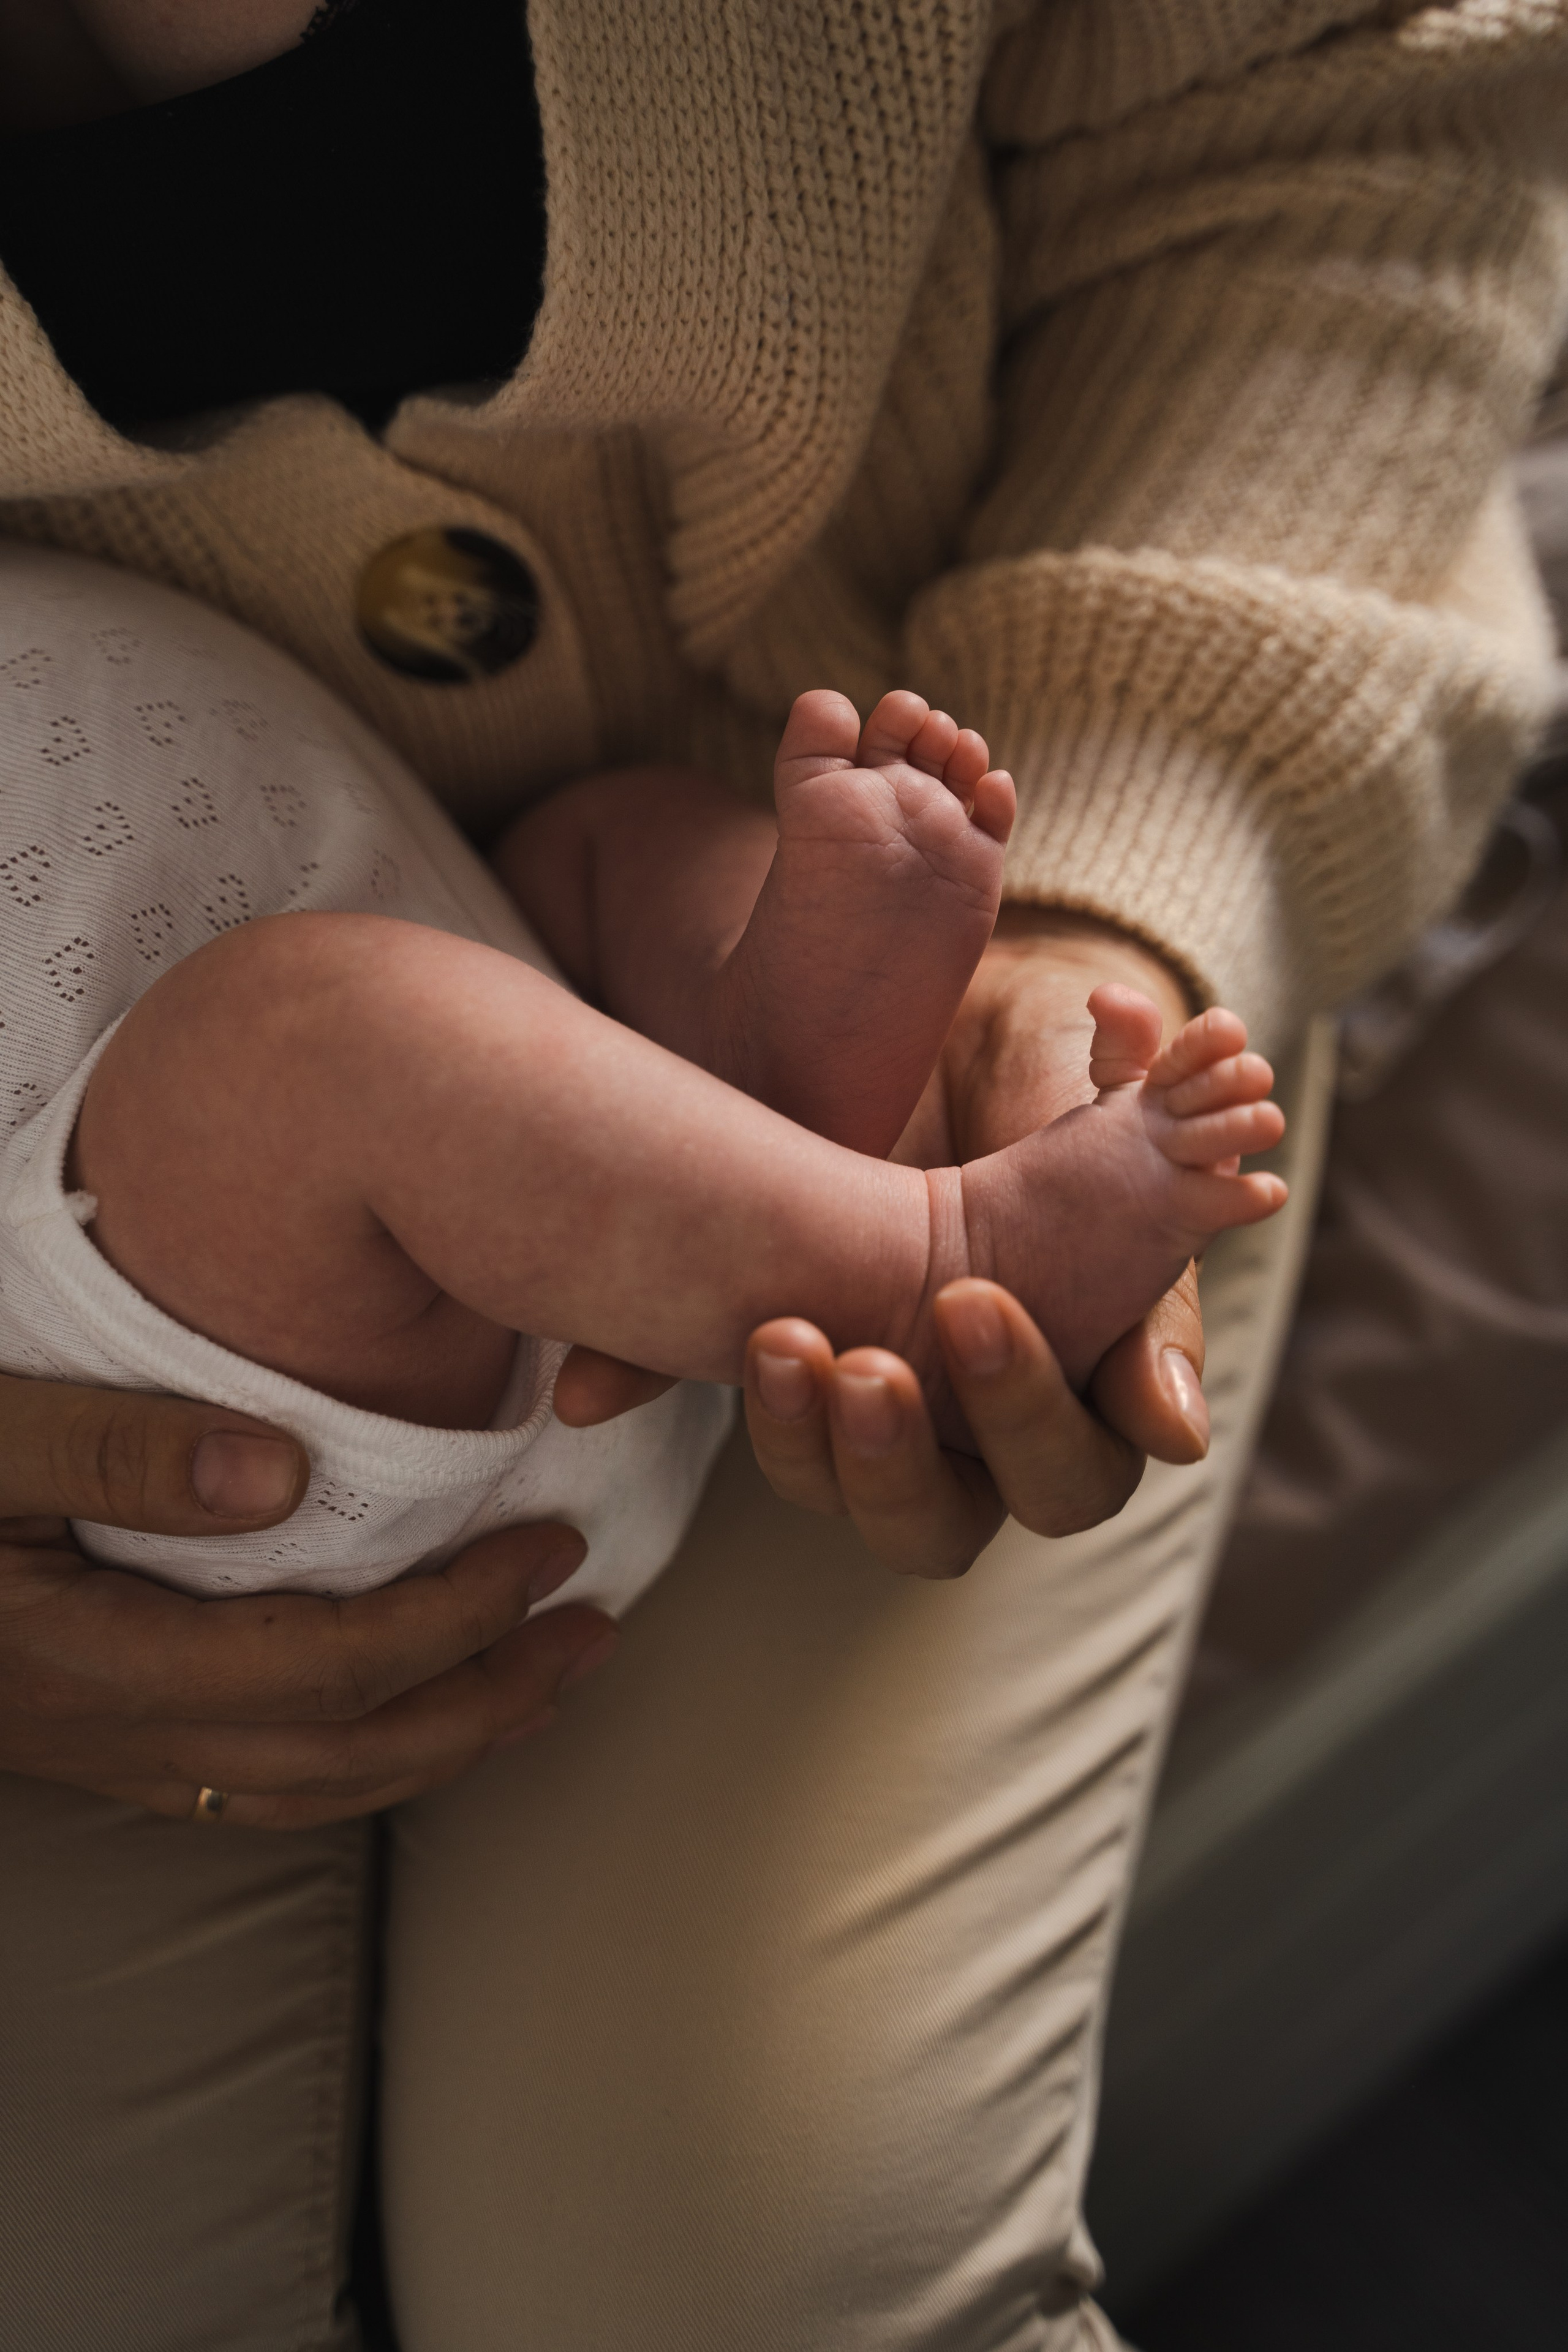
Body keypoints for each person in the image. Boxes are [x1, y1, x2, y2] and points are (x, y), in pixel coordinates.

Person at [1, 3, 1563, 2347]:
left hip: (589, 908)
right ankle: (856, 1182)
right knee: (89, 2285)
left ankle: (819, 1112)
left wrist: (1099, 910)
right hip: (167, 1383)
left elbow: (1360, 120)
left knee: (753, 2269)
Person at [6, 628, 1286, 1601]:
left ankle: (752, 1081)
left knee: (600, 840)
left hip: (476, 977)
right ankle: (927, 1256)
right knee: (290, 1050)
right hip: (256, 1393)